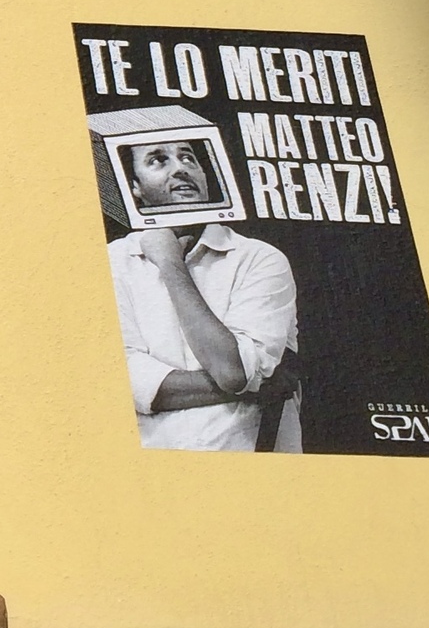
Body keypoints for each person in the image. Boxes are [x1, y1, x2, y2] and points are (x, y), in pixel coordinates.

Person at [107, 141, 299, 452]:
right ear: (135, 186)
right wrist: (257, 387)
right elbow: (117, 382)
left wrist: (170, 264)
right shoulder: (111, 261)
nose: (180, 168)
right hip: (150, 468)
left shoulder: (260, 258)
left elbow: (232, 372)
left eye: (188, 158)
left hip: (249, 465)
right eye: (158, 160)